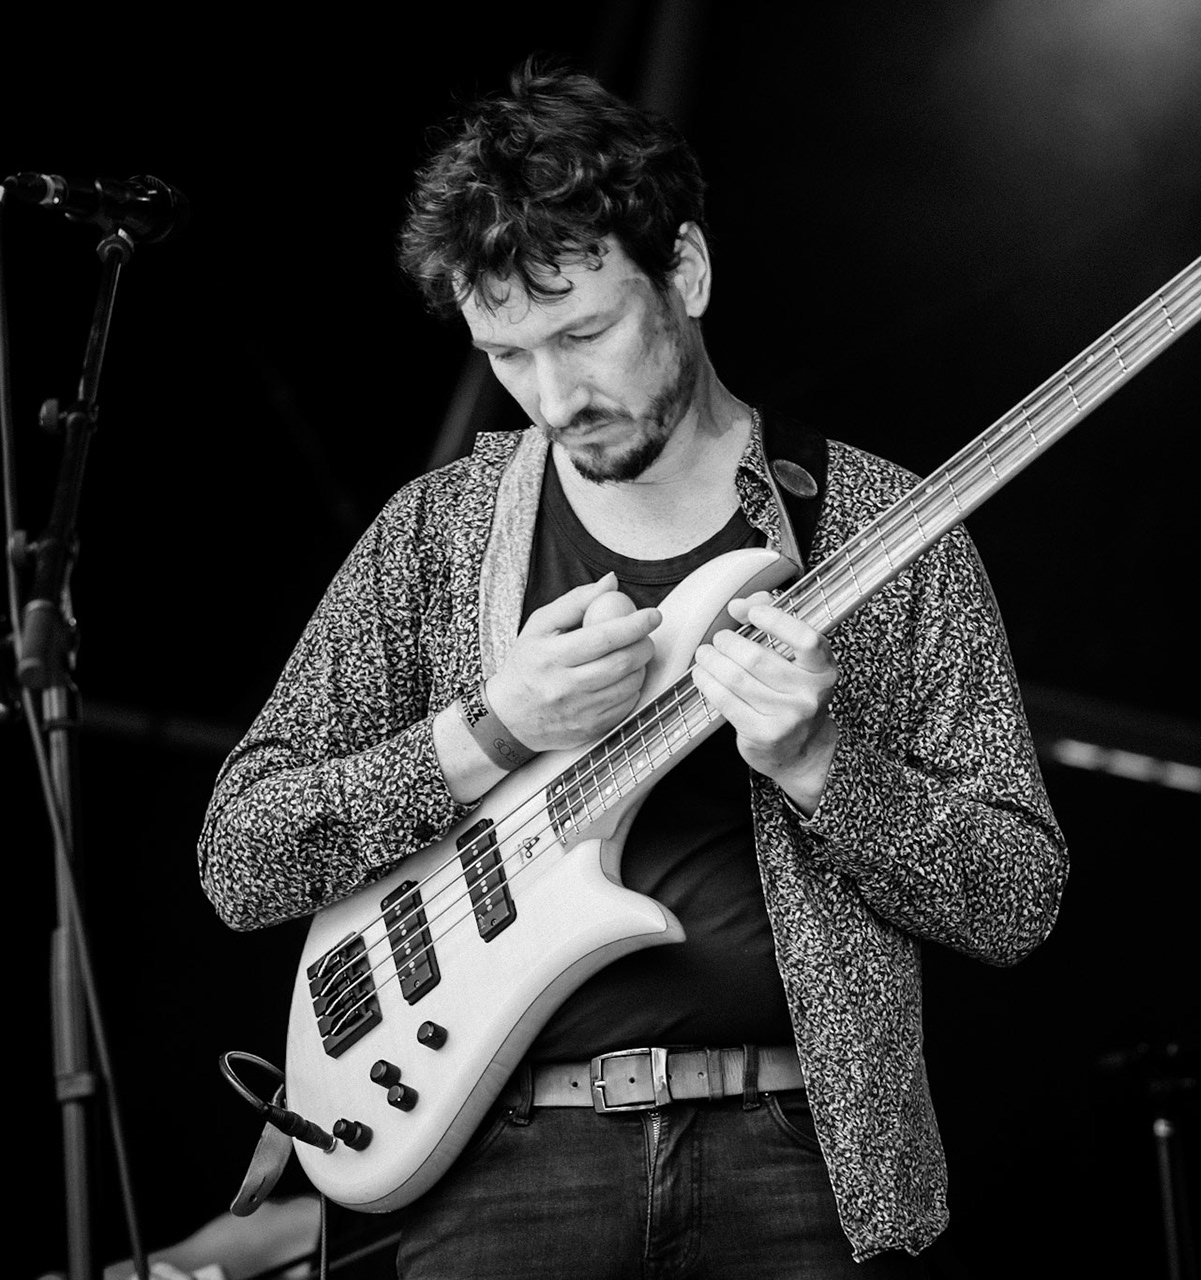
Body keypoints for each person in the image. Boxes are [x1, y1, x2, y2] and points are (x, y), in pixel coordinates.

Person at [197, 56, 1067, 1278]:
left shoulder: (887, 528)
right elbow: (241, 857)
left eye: (585, 332)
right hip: (496, 1165)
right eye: (507, 353)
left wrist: (830, 768)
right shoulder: (436, 533)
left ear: (687, 272)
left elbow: (1019, 897)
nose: (554, 396)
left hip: (797, 1161)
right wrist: (489, 728)